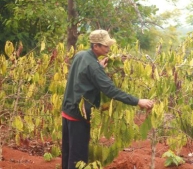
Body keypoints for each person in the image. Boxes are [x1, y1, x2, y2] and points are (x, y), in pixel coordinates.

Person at [61, 29, 154, 169]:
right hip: (79, 116)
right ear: (95, 46)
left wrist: (98, 67)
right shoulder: (93, 66)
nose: (108, 49)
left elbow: (83, 74)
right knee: (78, 157)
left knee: (68, 153)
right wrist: (138, 101)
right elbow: (111, 90)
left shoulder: (81, 55)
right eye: (105, 46)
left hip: (68, 110)